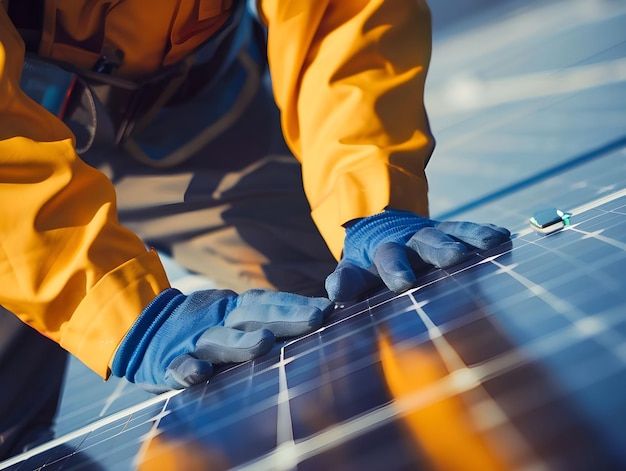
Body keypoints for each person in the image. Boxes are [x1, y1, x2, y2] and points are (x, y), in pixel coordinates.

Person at [0, 0, 510, 460]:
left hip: (194, 117)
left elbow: (341, 13)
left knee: (332, 316)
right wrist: (120, 311)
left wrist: (373, 200)